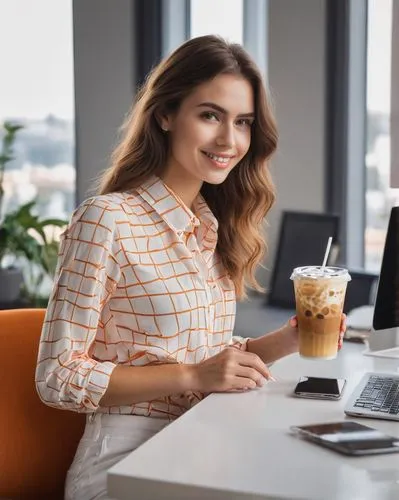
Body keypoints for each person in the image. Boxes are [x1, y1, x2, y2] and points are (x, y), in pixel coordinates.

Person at [35, 35, 346, 500]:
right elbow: (57, 377)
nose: (229, 139)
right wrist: (191, 378)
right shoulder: (107, 219)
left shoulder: (209, 225)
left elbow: (204, 357)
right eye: (209, 115)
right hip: (126, 460)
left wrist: (285, 342)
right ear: (165, 115)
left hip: (203, 440)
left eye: (243, 122)